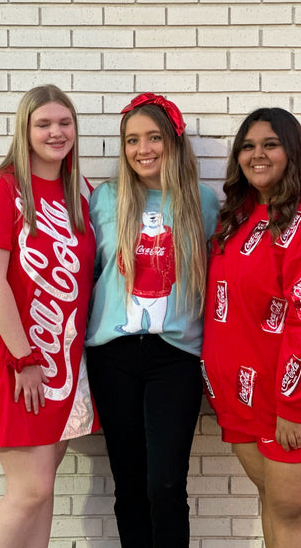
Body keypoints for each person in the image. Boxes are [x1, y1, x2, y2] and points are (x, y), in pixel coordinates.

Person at [200, 107, 301, 548]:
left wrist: (295, 404)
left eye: (270, 144)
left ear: (293, 152)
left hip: (297, 407)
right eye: (248, 146)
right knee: (275, 508)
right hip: (248, 401)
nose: (258, 155)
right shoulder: (240, 218)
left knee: (294, 516)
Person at [0, 84, 100, 548]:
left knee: (44, 491)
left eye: (65, 122)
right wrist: (25, 357)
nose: (56, 132)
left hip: (60, 360)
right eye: (43, 124)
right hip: (18, 359)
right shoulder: (0, 189)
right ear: (24, 130)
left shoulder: (79, 192)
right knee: (30, 489)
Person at [85, 92, 219, 547]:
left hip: (176, 356)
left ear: (174, 141)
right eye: (132, 140)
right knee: (129, 485)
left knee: (165, 484)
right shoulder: (105, 198)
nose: (143, 149)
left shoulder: (202, 202)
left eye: (154, 137)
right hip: (113, 356)